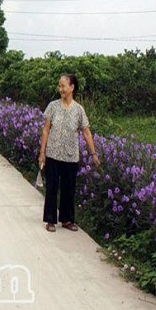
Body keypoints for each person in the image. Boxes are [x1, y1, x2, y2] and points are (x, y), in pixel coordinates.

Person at [38, 74, 100, 233]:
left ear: (72, 87)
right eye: (59, 86)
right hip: (52, 154)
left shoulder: (79, 110)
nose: (60, 89)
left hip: (71, 156)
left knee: (68, 189)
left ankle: (66, 219)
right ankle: (50, 220)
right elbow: (46, 130)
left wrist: (93, 153)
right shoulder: (53, 106)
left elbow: (86, 132)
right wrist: (42, 152)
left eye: (63, 86)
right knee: (52, 187)